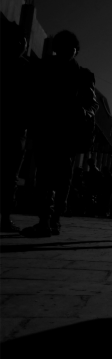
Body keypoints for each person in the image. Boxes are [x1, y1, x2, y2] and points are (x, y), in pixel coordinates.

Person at [21, 30, 99, 237]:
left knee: (62, 177)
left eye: (71, 47)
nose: (68, 51)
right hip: (45, 128)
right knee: (45, 175)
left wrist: (83, 111)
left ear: (76, 50)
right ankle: (45, 220)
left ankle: (54, 220)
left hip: (67, 132)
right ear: (56, 48)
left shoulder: (83, 75)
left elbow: (92, 104)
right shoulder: (42, 69)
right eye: (63, 47)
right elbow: (30, 96)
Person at [0, 21, 31, 232]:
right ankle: (5, 218)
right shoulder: (23, 69)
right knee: (9, 175)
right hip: (12, 128)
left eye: (23, 40)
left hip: (16, 128)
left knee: (10, 176)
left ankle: (5, 218)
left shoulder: (27, 68)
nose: (21, 43)